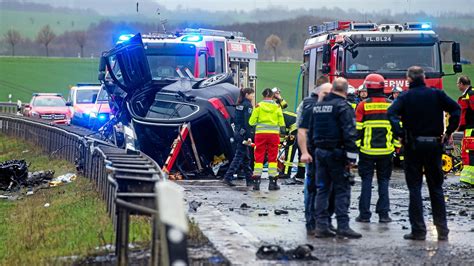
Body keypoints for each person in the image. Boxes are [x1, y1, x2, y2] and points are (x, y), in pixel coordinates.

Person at [387, 66, 460, 241]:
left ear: (408, 79)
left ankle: (418, 230)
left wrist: (400, 134)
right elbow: (456, 109)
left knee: (415, 189)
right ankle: (442, 230)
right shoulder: (436, 94)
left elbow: (391, 114)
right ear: (424, 77)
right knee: (436, 188)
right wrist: (449, 132)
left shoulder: (405, 97)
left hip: (413, 146)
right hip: (434, 145)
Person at [300, 78, 361, 239]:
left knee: (322, 189)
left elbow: (311, 131)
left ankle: (321, 226)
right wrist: (352, 158)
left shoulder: (318, 107)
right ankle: (343, 226)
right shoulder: (343, 107)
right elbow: (349, 133)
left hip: (320, 153)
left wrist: (313, 151)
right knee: (341, 190)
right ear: (346, 91)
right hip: (337, 153)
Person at [355, 74, 400, 223]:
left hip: (367, 151)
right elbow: (396, 129)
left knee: (366, 182)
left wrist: (355, 149)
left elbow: (358, 130)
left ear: (367, 87)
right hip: (386, 152)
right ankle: (384, 215)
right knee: (384, 182)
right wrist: (396, 147)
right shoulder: (391, 105)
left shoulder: (363, 105)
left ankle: (364, 215)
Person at [297, 81, 333, 235]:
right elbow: (302, 130)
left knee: (316, 188)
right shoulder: (312, 106)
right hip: (315, 151)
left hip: (315, 151)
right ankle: (315, 222)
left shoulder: (305, 104)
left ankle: (317, 222)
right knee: (316, 188)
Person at [249, 88, 286, 191]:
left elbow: (251, 122)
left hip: (260, 135)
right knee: (272, 157)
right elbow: (282, 122)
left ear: (263, 96)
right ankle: (272, 183)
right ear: (272, 96)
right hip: (274, 135)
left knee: (259, 156)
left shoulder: (258, 106)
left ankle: (256, 182)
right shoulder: (277, 106)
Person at [223, 88, 255, 187]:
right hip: (244, 134)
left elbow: (234, 120)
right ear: (247, 95)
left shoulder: (239, 105)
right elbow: (248, 122)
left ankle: (249, 180)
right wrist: (249, 136)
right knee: (239, 156)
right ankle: (228, 177)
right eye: (252, 95)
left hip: (238, 133)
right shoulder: (248, 105)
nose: (253, 97)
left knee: (246, 158)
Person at [456, 75, 474, 185]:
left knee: (469, 153)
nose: (457, 86)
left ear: (462, 84)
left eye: (458, 84)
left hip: (471, 129)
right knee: (468, 153)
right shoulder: (467, 95)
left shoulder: (471, 94)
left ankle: (468, 180)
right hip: (468, 128)